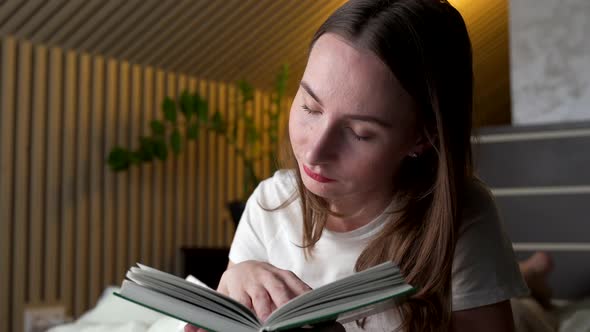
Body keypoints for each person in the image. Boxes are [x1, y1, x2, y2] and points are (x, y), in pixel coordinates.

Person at [187, 0, 530, 331]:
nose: (314, 153)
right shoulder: (270, 202)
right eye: (309, 106)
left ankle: (533, 277)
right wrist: (237, 277)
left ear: (422, 138)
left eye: (359, 132)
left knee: (530, 312)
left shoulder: (461, 214)